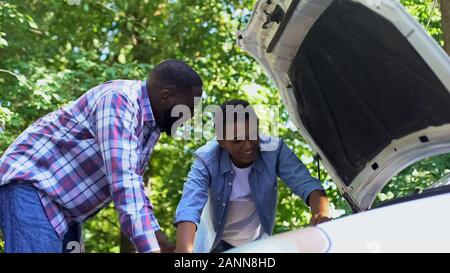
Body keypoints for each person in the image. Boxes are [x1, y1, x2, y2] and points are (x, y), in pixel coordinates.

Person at [0, 59, 203, 253]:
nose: (190, 116)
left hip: (65, 213)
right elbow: (124, 181)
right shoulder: (120, 100)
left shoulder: (150, 125)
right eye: (188, 109)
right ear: (166, 97)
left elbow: (136, 189)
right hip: (32, 188)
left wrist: (159, 240)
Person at [174, 99, 330, 253]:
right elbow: (189, 206)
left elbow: (305, 183)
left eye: (252, 135)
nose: (248, 145)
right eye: (237, 141)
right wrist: (184, 250)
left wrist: (321, 213)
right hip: (216, 243)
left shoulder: (274, 150)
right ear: (222, 141)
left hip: (257, 244)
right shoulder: (206, 160)